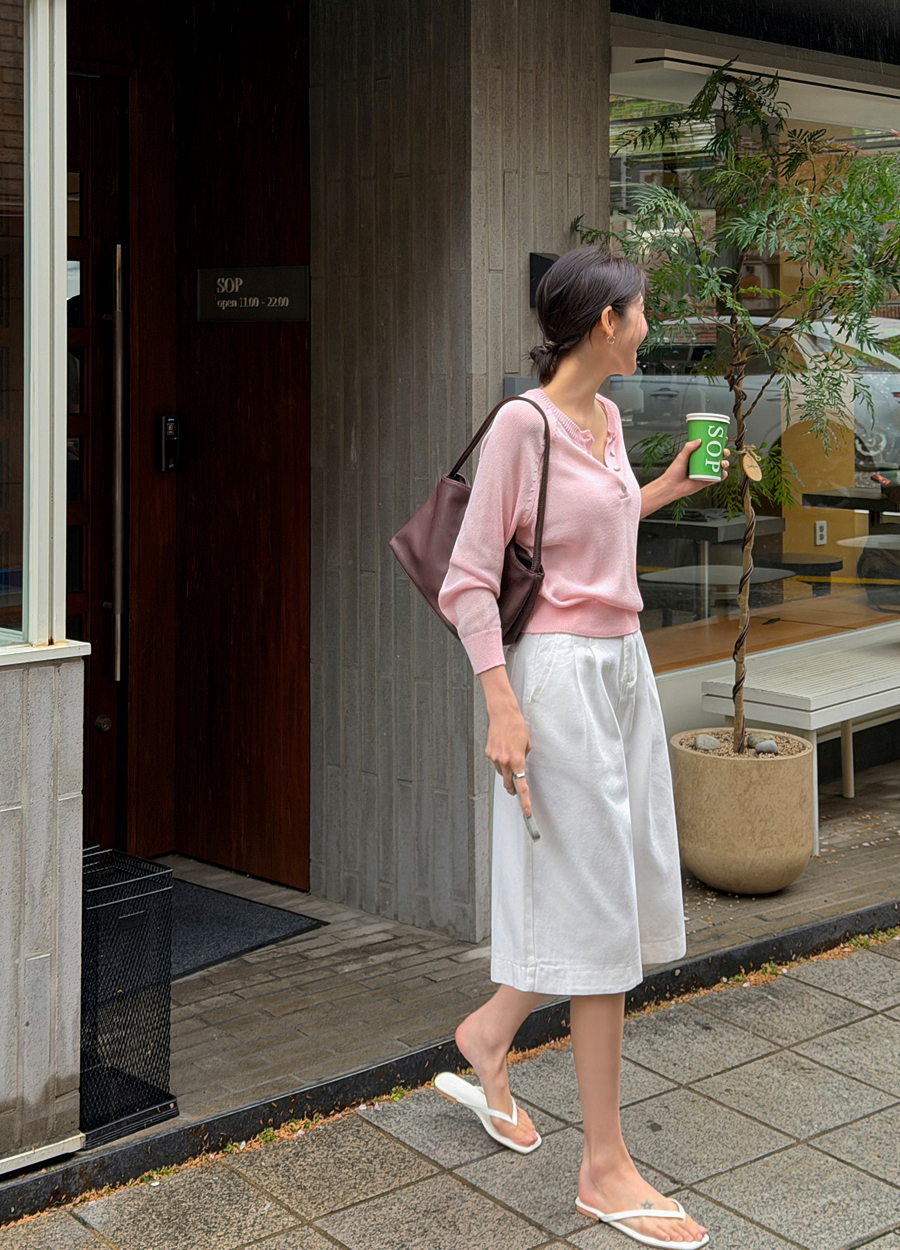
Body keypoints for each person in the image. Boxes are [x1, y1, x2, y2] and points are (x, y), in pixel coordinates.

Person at [434, 246, 725, 1249]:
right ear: (606, 321)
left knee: (614, 885)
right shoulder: (525, 424)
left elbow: (596, 531)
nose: (649, 326)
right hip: (555, 678)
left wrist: (666, 486)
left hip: (621, 667)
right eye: (641, 310)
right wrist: (501, 705)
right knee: (599, 907)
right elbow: (468, 578)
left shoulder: (604, 419)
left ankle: (489, 1034)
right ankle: (604, 1167)